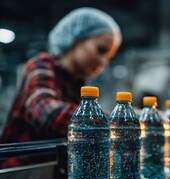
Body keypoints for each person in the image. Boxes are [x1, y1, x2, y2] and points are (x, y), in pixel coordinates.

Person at [1, 7, 122, 144]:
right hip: (20, 163)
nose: (103, 61)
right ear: (77, 39)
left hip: (49, 163)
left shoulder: (76, 82)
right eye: (101, 50)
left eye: (108, 56)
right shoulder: (41, 65)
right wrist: (114, 120)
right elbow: (45, 112)